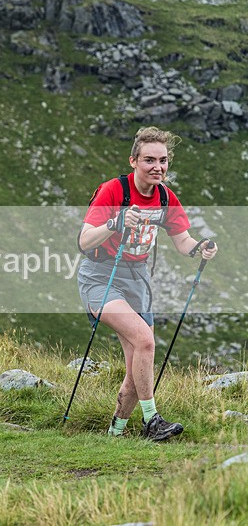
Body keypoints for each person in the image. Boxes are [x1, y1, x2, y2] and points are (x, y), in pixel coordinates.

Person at [77, 126, 218, 441]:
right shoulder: (113, 191)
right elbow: (84, 241)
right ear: (133, 161)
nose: (158, 167)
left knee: (134, 368)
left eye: (164, 161)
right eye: (150, 160)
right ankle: (152, 421)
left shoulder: (165, 196)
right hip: (101, 276)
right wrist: (115, 222)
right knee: (145, 341)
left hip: (138, 280)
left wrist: (200, 248)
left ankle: (115, 433)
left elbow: (183, 241)